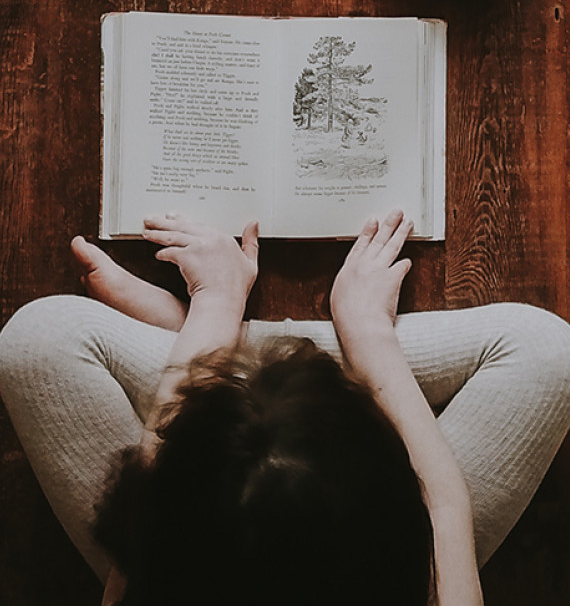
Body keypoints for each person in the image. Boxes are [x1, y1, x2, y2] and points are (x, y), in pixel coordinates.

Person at [1, 210, 570, 605]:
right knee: (550, 351)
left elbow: (157, 474)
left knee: (35, 341)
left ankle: (232, 344)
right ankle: (271, 351)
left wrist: (214, 306)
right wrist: (367, 329)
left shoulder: (151, 572)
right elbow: (446, 502)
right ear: (401, 518)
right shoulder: (419, 562)